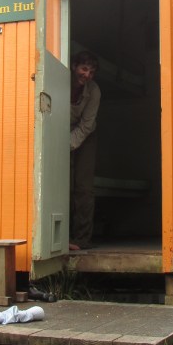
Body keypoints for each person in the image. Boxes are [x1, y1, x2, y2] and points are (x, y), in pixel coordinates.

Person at [69, 50, 100, 251]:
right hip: (60, 130)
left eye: (91, 71)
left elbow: (87, 125)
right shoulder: (59, 80)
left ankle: (81, 239)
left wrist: (68, 146)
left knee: (84, 187)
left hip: (85, 136)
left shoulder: (94, 91)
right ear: (74, 66)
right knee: (61, 184)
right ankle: (59, 237)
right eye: (84, 69)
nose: (87, 75)